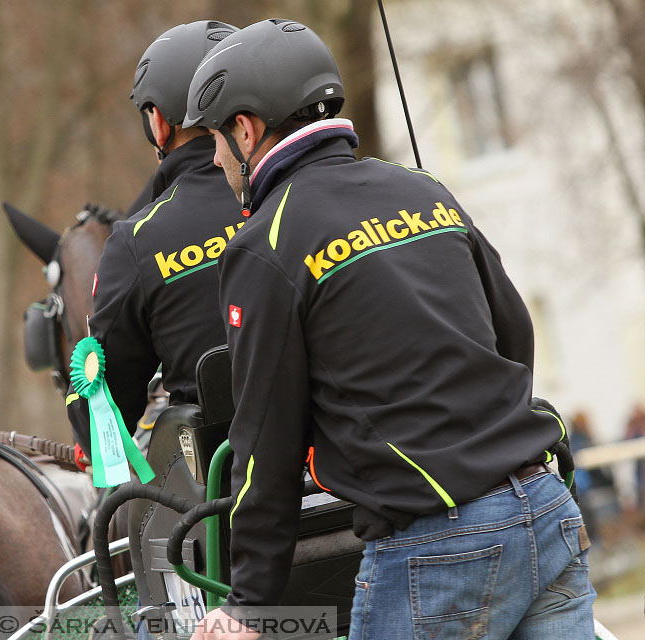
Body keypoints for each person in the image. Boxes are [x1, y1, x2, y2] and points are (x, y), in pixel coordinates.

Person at [184, 19, 595, 639]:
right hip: (548, 507)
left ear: (246, 129)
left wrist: (249, 605)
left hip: (437, 550)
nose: (214, 157)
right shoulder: (424, 189)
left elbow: (265, 441)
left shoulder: (265, 241)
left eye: (216, 138)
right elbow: (513, 333)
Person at [66, 20, 244, 459]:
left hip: (229, 495)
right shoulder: (318, 193)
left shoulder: (137, 242)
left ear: (158, 123)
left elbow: (103, 426)